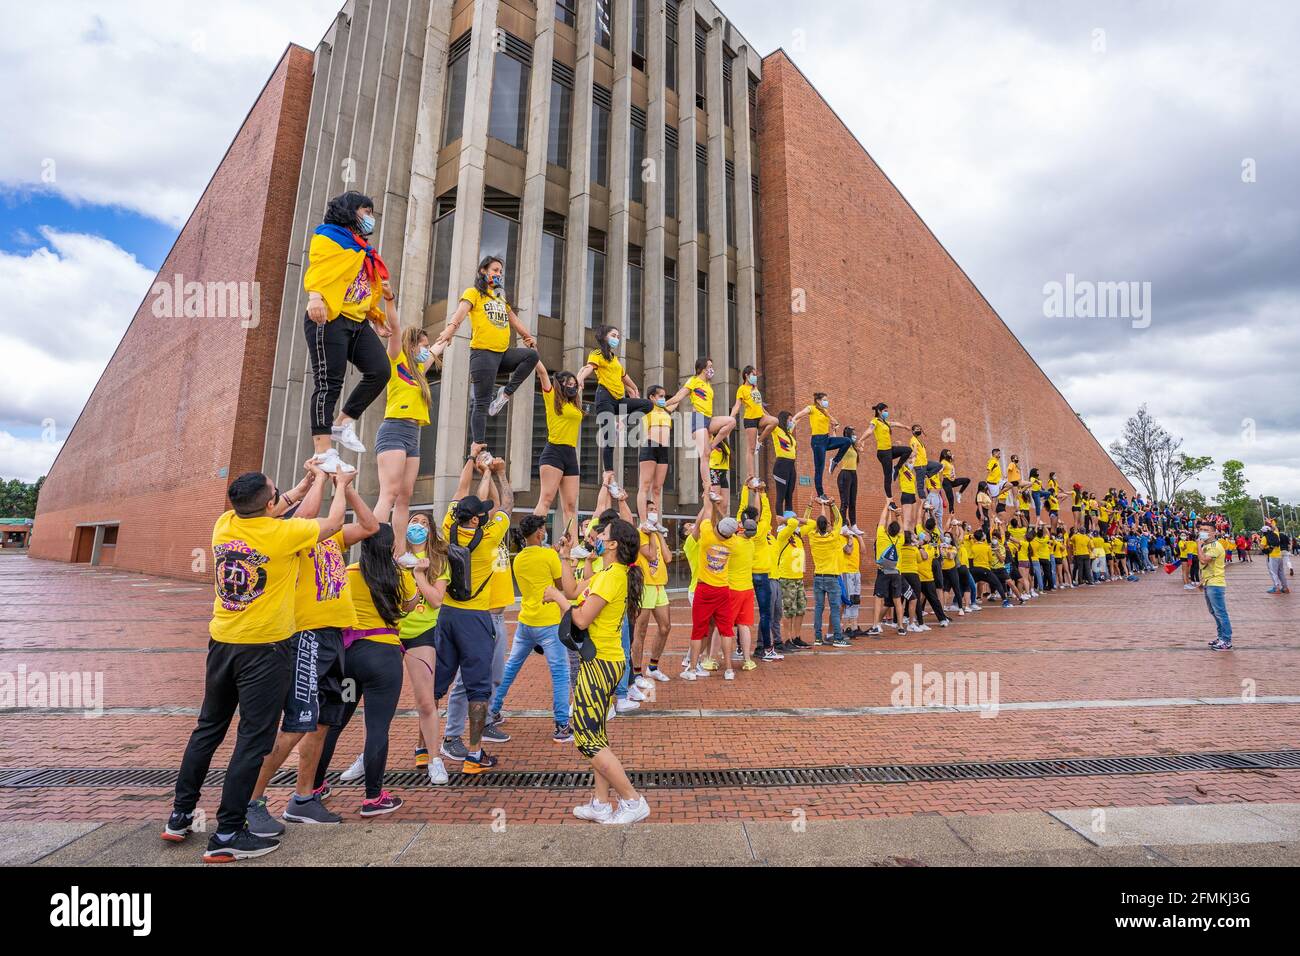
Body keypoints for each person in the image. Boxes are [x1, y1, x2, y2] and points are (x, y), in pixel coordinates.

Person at [163, 470, 350, 862]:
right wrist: (339, 483)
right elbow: (332, 523)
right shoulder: (282, 536)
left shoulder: (224, 524)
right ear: (269, 505)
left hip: (222, 644)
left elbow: (278, 508)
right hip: (264, 651)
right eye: (276, 495)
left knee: (208, 729)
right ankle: (229, 832)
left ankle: (180, 816)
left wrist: (304, 483)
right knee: (252, 740)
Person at [246, 460, 380, 834]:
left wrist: (348, 486)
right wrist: (323, 479)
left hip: (334, 635)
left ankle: (303, 799)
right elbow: (312, 515)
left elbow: (370, 526)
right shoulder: (291, 536)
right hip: (308, 636)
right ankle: (251, 801)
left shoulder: (331, 538)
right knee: (295, 725)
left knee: (322, 723)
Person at [546, 519, 652, 824]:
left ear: (614, 544)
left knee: (586, 738)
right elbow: (573, 589)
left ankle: (632, 801)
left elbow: (580, 619)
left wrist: (555, 599)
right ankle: (601, 803)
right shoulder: (608, 573)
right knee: (597, 734)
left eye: (602, 535)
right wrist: (566, 558)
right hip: (606, 661)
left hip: (600, 663)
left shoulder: (612, 577)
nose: (596, 538)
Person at [315, 525, 422, 817]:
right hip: (383, 657)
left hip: (349, 657)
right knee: (377, 727)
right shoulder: (398, 574)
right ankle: (373, 798)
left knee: (335, 723)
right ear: (390, 548)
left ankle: (314, 786)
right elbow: (407, 607)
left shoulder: (347, 573)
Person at [302, 191, 395, 473]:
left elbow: (362, 288)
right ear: (350, 212)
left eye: (371, 212)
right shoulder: (328, 237)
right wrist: (315, 297)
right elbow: (319, 268)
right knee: (329, 382)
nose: (371, 218)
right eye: (366, 212)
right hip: (328, 318)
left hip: (357, 321)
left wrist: (375, 317)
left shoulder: (361, 248)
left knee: (380, 370)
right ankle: (323, 451)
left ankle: (342, 423)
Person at [433, 452, 513, 773]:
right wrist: (499, 474)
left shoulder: (447, 525)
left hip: (448, 614)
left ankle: (423, 747)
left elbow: (459, 491)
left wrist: (474, 465)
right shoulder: (490, 536)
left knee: (439, 683)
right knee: (476, 686)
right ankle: (473, 754)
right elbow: (505, 505)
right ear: (479, 519)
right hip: (476, 617)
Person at [431, 255, 538, 455]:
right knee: (481, 403)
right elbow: (461, 312)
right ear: (483, 271)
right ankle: (479, 447)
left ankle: (504, 394)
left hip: (502, 353)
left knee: (531, 357)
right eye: (495, 270)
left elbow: (513, 318)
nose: (499, 274)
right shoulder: (473, 293)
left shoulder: (499, 297)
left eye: (500, 272)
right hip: (483, 354)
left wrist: (527, 336)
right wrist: (449, 330)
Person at [490, 516, 572, 742]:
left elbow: (540, 569)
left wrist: (554, 552)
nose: (545, 531)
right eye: (543, 529)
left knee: (510, 667)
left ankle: (493, 710)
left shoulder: (519, 558)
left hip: (526, 621)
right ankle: (562, 725)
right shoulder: (548, 555)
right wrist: (562, 555)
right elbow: (561, 585)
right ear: (539, 533)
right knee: (560, 673)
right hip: (549, 622)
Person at [376, 325, 435, 563]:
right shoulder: (396, 358)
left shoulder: (419, 369)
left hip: (414, 433)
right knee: (388, 493)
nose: (427, 350)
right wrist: (389, 302)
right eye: (424, 345)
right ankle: (375, 547)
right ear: (412, 344)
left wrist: (451, 329)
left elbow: (439, 346)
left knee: (405, 496)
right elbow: (395, 329)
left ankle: (399, 551)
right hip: (394, 428)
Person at [578, 324, 654, 482]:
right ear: (604, 337)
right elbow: (589, 368)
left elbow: (624, 377)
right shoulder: (597, 354)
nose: (616, 339)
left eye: (618, 337)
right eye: (613, 335)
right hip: (604, 397)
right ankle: (609, 473)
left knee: (648, 405)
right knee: (610, 438)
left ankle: (622, 423)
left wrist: (634, 388)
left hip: (619, 399)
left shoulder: (615, 359)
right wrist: (580, 379)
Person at [666, 357, 735, 502]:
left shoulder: (708, 385)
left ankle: (712, 444)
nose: (712, 369)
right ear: (702, 368)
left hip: (708, 419)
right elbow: (679, 396)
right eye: (710, 366)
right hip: (698, 418)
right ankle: (708, 489)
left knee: (731, 421)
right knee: (705, 456)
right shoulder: (694, 380)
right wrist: (663, 404)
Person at [683, 496, 737, 678]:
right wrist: (719, 508)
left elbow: (706, 514)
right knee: (726, 630)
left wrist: (709, 498)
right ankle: (729, 669)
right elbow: (725, 525)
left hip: (704, 588)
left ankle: (691, 669)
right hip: (723, 589)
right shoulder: (732, 542)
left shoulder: (706, 537)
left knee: (698, 630)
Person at [632, 501, 674, 685]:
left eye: (656, 509)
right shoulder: (639, 533)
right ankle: (637, 672)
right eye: (650, 509)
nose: (654, 512)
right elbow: (650, 555)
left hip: (659, 586)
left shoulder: (656, 533)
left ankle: (653, 667)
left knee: (665, 627)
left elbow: (667, 557)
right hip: (645, 585)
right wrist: (650, 533)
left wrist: (657, 533)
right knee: (640, 631)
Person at [791, 393, 854, 504]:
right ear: (818, 401)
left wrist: (834, 426)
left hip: (826, 439)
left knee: (847, 441)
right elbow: (801, 414)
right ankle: (820, 493)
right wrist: (794, 420)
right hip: (817, 441)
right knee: (819, 469)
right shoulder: (812, 408)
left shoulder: (825, 412)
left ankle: (835, 461)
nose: (827, 402)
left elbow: (834, 425)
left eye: (827, 400)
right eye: (825, 400)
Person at [731, 365, 779, 485]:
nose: (755, 377)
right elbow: (737, 405)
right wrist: (731, 418)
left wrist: (768, 415)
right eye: (753, 375)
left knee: (775, 421)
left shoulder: (755, 388)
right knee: (751, 449)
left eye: (755, 375)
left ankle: (760, 440)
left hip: (761, 417)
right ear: (746, 375)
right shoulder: (742, 389)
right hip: (750, 420)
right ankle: (751, 475)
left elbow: (760, 406)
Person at [637, 387, 673, 529]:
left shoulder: (666, 410)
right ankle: (643, 520)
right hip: (650, 446)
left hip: (664, 449)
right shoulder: (647, 408)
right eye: (661, 396)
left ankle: (655, 521)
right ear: (652, 397)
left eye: (665, 396)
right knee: (645, 486)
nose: (664, 398)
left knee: (657, 488)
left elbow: (679, 398)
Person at [774, 511, 808, 650]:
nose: (795, 521)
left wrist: (796, 519)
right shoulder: (782, 535)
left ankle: (796, 637)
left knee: (800, 609)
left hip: (798, 577)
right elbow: (793, 524)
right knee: (789, 610)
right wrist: (789, 520)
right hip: (786, 578)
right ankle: (787, 638)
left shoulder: (798, 535)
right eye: (792, 519)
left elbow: (812, 523)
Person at [1198, 527, 1232, 650]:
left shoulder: (1215, 546)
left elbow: (1203, 559)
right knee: (1214, 612)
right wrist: (1202, 581)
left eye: (1206, 530)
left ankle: (1227, 640)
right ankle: (1221, 637)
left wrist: (1198, 546)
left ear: (1213, 533)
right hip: (1208, 582)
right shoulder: (1206, 546)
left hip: (1216, 583)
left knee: (1220, 612)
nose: (1202, 531)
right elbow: (1205, 566)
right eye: (1201, 529)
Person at [868, 403, 910, 499]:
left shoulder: (885, 422)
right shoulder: (875, 421)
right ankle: (890, 500)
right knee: (888, 477)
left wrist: (905, 426)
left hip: (889, 450)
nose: (887, 413)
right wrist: (861, 440)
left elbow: (895, 423)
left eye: (887, 411)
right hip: (883, 452)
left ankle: (897, 468)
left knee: (907, 450)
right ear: (879, 411)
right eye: (885, 411)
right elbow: (869, 431)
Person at [829, 426, 861, 531]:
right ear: (848, 435)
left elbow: (861, 447)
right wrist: (834, 431)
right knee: (845, 502)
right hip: (845, 474)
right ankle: (843, 525)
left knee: (853, 502)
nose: (855, 436)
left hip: (854, 474)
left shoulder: (854, 447)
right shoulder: (845, 444)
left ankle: (854, 525)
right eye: (853, 434)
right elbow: (834, 441)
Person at [770, 411, 799, 514]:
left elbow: (797, 418)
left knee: (789, 495)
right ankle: (780, 522)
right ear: (784, 419)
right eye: (789, 420)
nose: (791, 422)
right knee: (781, 495)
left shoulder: (789, 433)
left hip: (791, 465)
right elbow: (768, 417)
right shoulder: (776, 430)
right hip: (781, 465)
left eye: (791, 420)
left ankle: (788, 519)